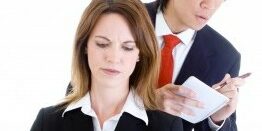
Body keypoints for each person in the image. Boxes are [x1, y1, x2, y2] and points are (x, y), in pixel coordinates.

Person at [30, 0, 183, 131]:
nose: (114, 58)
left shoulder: (166, 126)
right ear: (84, 46)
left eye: (127, 47)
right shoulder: (48, 122)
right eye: (102, 44)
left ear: (140, 53)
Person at [144, 0, 245, 131]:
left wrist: (216, 119)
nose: (210, 5)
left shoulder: (225, 56)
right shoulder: (120, 18)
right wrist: (146, 102)